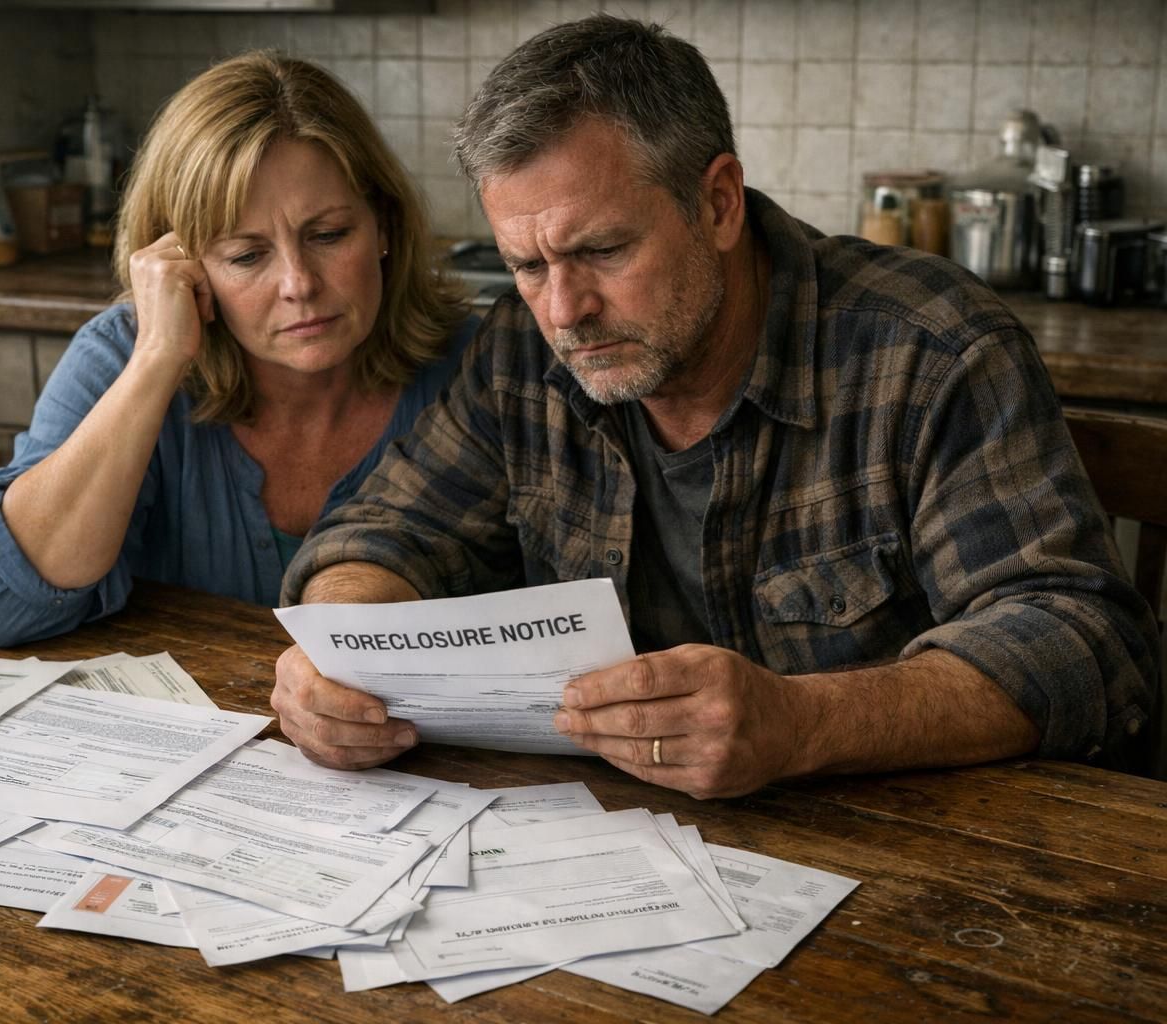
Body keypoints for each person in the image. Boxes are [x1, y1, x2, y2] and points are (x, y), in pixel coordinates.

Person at [271, 16, 1159, 797]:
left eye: (605, 249)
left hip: (928, 866)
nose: (563, 311)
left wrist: (804, 724)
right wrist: (340, 653)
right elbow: (384, 530)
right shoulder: (519, 346)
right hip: (615, 856)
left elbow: (1083, 642)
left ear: (719, 202)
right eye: (528, 265)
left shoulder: (928, 349)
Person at [0, 52, 473, 647]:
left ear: (385, 228)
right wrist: (157, 360)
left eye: (328, 235)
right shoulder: (122, 356)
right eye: (246, 256)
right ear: (182, 266)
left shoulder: (475, 368)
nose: (298, 283)